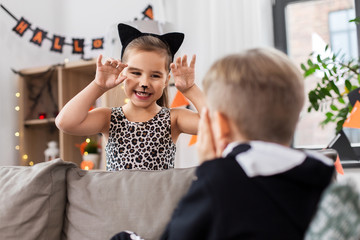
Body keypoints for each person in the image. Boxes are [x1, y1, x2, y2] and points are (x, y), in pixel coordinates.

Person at [110, 47, 335, 240]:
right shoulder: (326, 176)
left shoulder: (218, 177)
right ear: (296, 118)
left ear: (219, 125)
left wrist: (211, 165)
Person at [55, 23, 205, 171]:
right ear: (122, 73)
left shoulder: (174, 119)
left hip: (159, 196)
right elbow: (65, 123)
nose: (144, 83)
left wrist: (190, 89)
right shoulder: (109, 117)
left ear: (166, 80)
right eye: (136, 73)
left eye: (155, 75)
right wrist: (98, 86)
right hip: (117, 196)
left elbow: (217, 125)